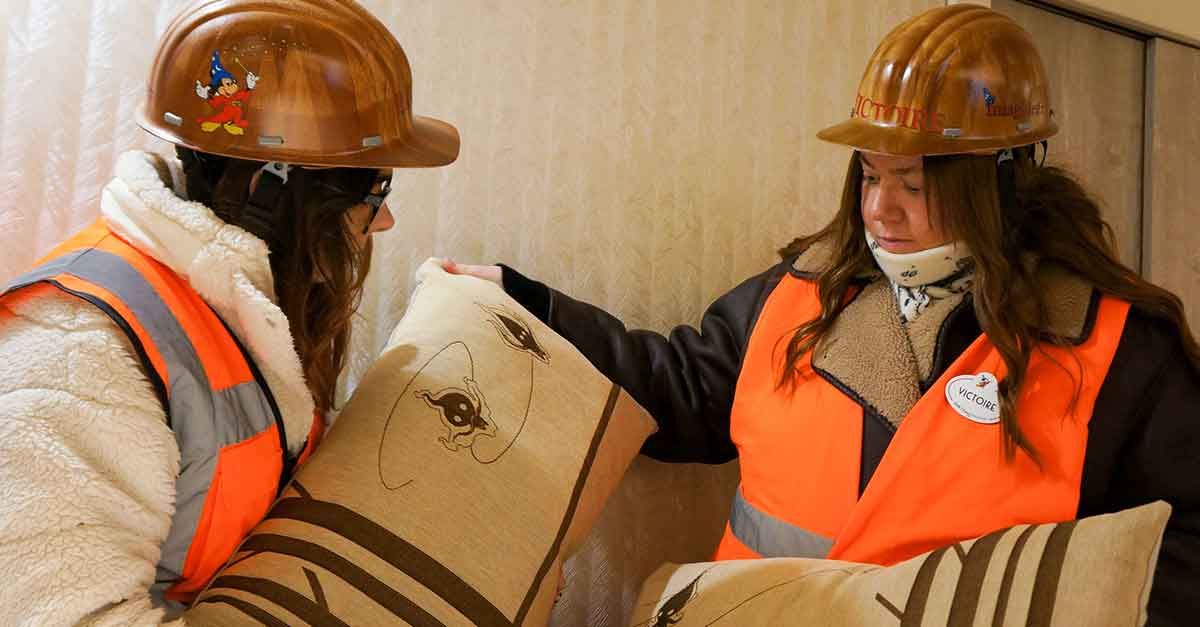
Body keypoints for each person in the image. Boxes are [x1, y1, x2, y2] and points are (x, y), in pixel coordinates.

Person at [448, 5, 1199, 624]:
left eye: (912, 181)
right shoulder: (805, 291)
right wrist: (524, 304)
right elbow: (678, 384)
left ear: (1000, 181)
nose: (879, 208)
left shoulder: (1113, 351)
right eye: (870, 175)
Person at [0, 0, 458, 622]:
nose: (385, 220)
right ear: (269, 190)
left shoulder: (236, 310)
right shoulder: (77, 359)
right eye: (374, 192)